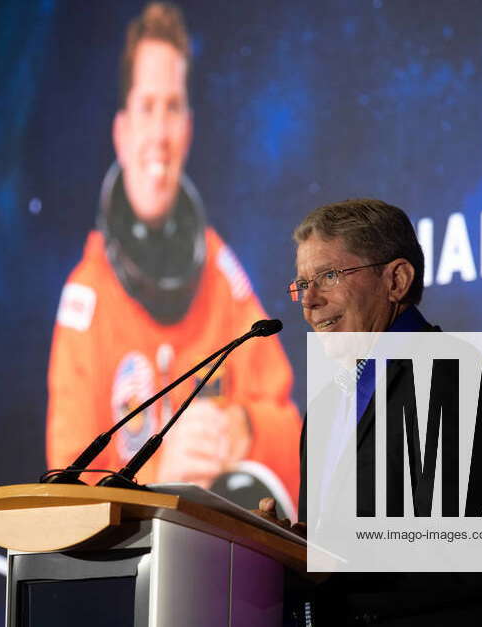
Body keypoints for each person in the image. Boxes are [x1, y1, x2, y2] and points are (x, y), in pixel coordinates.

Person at [46, 2, 301, 514]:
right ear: (121, 131)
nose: (159, 133)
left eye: (173, 107)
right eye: (146, 106)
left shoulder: (221, 274)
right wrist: (161, 477)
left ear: (188, 128)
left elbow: (293, 434)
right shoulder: (87, 297)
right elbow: (62, 493)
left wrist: (241, 428)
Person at [261, 199, 482, 625]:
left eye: (328, 276)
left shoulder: (450, 373)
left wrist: (331, 557)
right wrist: (279, 545)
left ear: (396, 280)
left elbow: (460, 549)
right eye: (302, 283)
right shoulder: (325, 409)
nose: (309, 301)